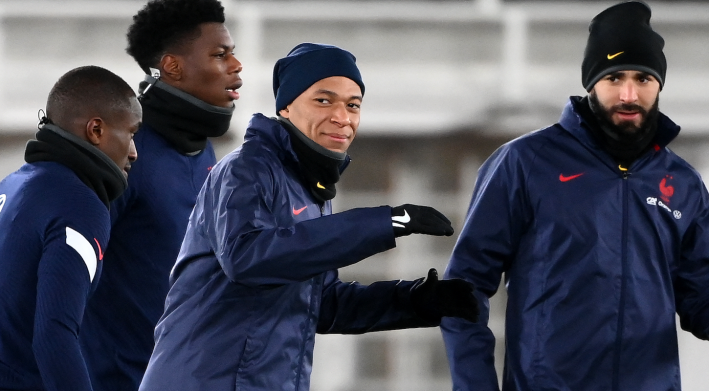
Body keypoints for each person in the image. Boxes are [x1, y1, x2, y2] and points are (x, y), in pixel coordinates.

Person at [138, 42, 479, 391]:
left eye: (353, 105)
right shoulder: (246, 168)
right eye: (323, 100)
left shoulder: (308, 189)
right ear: (286, 107)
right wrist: (388, 222)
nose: (341, 117)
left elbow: (321, 304)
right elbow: (247, 257)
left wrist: (415, 301)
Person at [441, 2, 709, 390]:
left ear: (659, 85)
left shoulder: (681, 183)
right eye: (615, 77)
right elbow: (463, 288)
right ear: (591, 83)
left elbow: (700, 300)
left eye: (643, 79)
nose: (629, 94)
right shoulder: (525, 163)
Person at [79, 1, 242, 390]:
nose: (237, 66)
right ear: (172, 67)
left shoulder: (202, 150)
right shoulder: (121, 154)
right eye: (221, 55)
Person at [0, 66, 140, 391]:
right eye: (132, 133)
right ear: (96, 130)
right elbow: (54, 333)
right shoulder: (80, 205)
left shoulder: (13, 184)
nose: (134, 152)